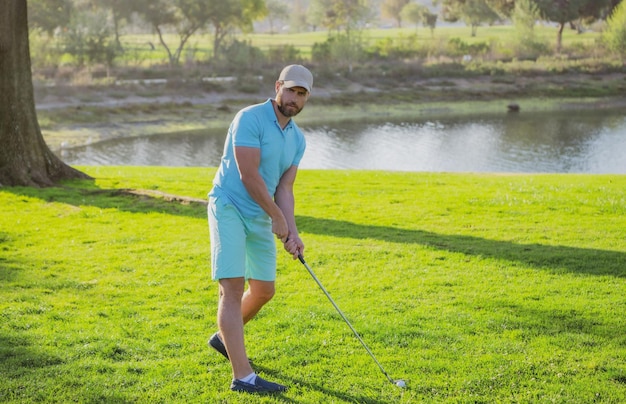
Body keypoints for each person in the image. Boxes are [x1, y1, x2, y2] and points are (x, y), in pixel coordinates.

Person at [206, 65, 313, 394]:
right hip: (230, 207)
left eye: (302, 94)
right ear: (278, 86)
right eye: (291, 90)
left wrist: (291, 230)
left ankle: (224, 338)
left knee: (265, 290)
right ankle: (243, 377)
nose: (295, 99)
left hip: (261, 214)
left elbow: (285, 189)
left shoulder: (297, 139)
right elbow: (247, 174)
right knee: (233, 289)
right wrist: (276, 218)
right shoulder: (249, 118)